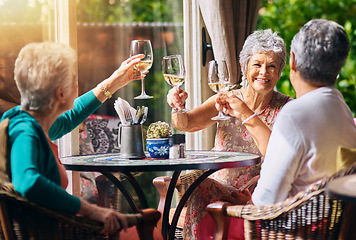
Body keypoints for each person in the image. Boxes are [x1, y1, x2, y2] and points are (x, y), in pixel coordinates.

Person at [0, 42, 144, 235]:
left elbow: (68, 119)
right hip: (59, 233)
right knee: (147, 227)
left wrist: (114, 81)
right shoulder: (25, 131)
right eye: (73, 80)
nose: (78, 85)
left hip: (59, 228)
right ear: (61, 93)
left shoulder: (24, 119)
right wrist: (92, 210)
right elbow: (28, 182)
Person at [167, 29, 292, 239]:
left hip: (258, 195)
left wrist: (243, 111)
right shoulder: (226, 99)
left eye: (272, 66)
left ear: (280, 72)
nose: (264, 72)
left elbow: (279, 157)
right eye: (257, 64)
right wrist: (178, 106)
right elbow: (186, 124)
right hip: (219, 188)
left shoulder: (287, 109)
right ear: (244, 68)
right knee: (198, 183)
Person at [251, 19, 356, 206]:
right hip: (336, 227)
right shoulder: (342, 108)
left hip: (294, 230)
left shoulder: (294, 114)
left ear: (292, 61)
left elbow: (265, 201)